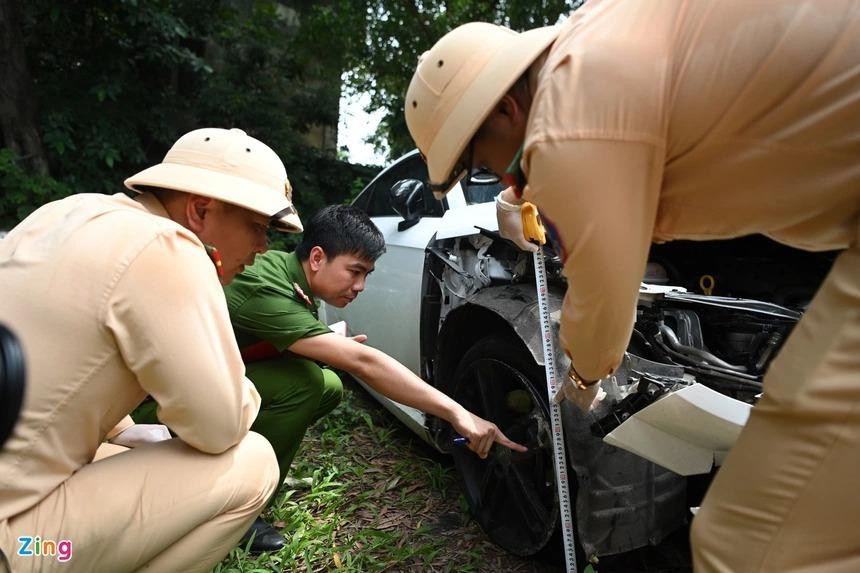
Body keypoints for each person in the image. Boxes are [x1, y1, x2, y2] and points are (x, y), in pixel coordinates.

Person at [403, 1, 860, 571]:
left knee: (754, 541)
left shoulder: (567, 119)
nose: (498, 177)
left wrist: (582, 378)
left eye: (478, 164)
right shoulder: (598, 37)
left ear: (504, 109)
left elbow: (597, 315)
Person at [0, 127, 303, 573]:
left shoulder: (64, 212)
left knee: (132, 455)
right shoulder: (169, 246)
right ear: (200, 210)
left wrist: (122, 429)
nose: (262, 248)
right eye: (257, 228)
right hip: (21, 550)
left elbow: (59, 349)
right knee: (252, 462)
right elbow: (218, 427)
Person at [211, 204, 527, 542]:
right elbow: (364, 364)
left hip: (210, 379)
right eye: (355, 271)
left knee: (327, 385)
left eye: (367, 275)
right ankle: (239, 510)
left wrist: (324, 344)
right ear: (317, 258)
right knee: (305, 383)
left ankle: (236, 457)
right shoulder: (268, 289)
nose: (360, 286)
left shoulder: (287, 273)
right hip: (166, 404)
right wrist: (457, 412)